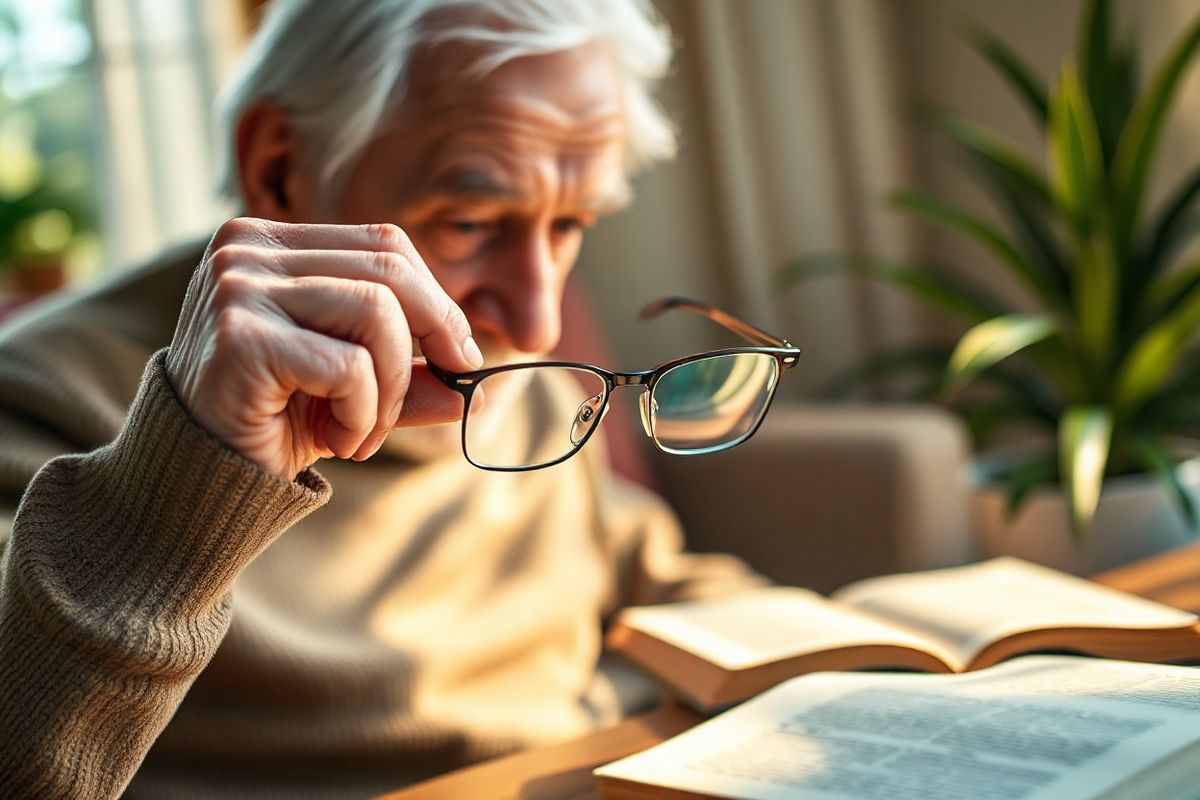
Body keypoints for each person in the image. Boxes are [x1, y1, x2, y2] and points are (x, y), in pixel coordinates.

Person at [0, 1, 765, 798]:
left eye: (570, 223)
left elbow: (639, 568)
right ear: (279, 166)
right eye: (471, 222)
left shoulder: (517, 385)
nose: (539, 319)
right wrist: (192, 469)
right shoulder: (42, 396)